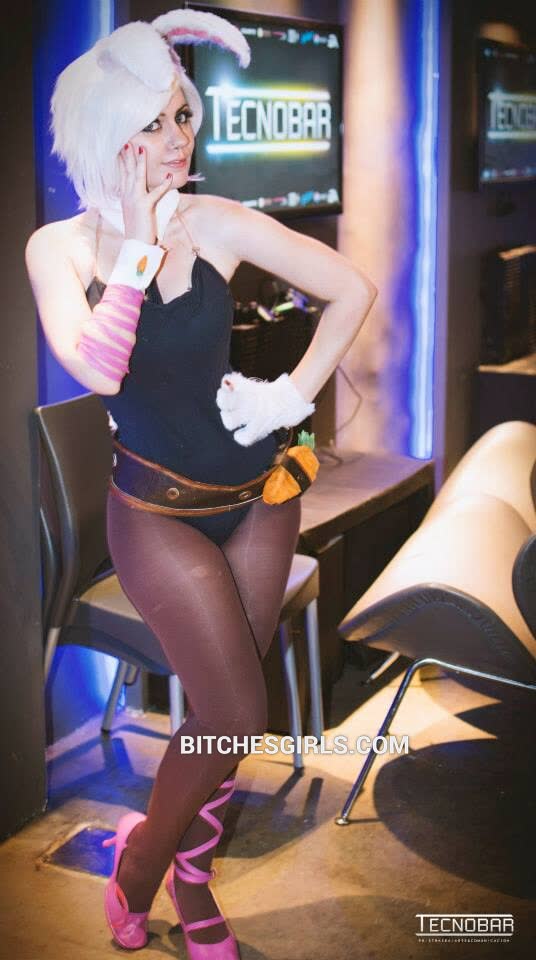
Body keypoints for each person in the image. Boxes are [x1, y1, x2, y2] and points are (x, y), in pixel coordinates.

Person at [26, 9, 377, 959]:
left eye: (183, 114)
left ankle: (189, 866)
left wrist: (291, 396)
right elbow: (98, 368)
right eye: (154, 122)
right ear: (107, 131)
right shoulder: (60, 249)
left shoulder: (214, 219)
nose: (179, 137)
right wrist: (138, 246)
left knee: (224, 718)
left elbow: (353, 290)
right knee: (235, 714)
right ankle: (145, 868)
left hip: (259, 501)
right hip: (156, 515)